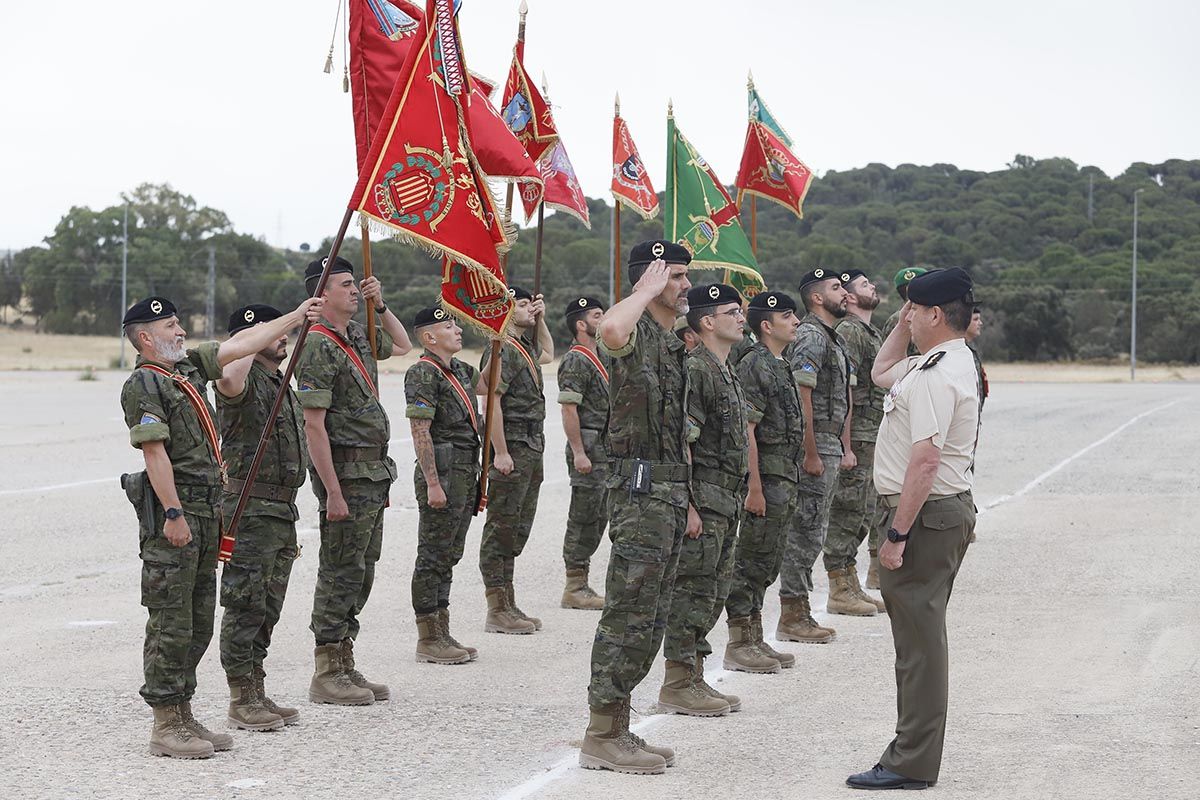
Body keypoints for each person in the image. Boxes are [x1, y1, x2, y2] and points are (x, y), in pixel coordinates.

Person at [119, 294, 322, 758]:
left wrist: (296, 316)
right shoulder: (145, 383)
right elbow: (154, 452)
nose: (181, 331)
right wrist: (173, 513)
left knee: (198, 624)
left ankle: (184, 713)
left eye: (179, 323)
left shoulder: (187, 368)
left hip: (208, 511)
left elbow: (239, 346)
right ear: (146, 337)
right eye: (170, 326)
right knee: (171, 623)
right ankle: (166, 722)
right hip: (178, 515)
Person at [846, 268, 980, 791]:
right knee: (920, 642)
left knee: (919, 648)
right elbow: (881, 371)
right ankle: (912, 754)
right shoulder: (948, 360)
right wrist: (904, 324)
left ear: (936, 314)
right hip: (939, 513)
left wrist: (897, 536)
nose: (907, 317)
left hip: (924, 518)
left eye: (914, 310)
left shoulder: (935, 374)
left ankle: (910, 761)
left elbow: (925, 461)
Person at [579, 240, 697, 775]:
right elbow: (609, 330)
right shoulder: (634, 333)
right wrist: (646, 291)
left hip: (669, 493)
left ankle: (619, 724)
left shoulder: (672, 344)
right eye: (674, 276)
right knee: (628, 613)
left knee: (651, 617)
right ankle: (601, 732)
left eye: (685, 276)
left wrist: (687, 500)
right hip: (639, 494)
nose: (685, 285)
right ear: (647, 280)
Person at [296, 256, 411, 706]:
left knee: (361, 570)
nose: (353, 290)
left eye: (354, 284)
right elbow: (314, 426)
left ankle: (345, 660)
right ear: (321, 294)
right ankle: (326, 670)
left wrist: (380, 305)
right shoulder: (318, 344)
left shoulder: (358, 334)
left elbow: (401, 344)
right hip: (345, 473)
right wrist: (333, 492)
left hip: (372, 473)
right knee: (340, 570)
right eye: (345, 285)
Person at [215, 304, 308, 733]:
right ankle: (241, 698)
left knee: (268, 607)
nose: (282, 336)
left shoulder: (279, 382)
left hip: (281, 509)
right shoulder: (241, 377)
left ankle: (256, 687)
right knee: (245, 604)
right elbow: (229, 375)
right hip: (250, 508)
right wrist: (252, 339)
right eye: (272, 331)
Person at [659, 283, 749, 717]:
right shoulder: (696, 369)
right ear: (708, 321)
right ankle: (677, 682)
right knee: (692, 592)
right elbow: (684, 442)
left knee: (713, 591)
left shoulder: (724, 369)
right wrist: (690, 505)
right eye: (733, 312)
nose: (742, 318)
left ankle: (694, 675)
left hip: (725, 499)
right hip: (705, 500)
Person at [724, 290, 803, 674]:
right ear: (767, 326)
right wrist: (754, 487)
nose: (796, 322)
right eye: (787, 316)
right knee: (751, 560)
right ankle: (739, 642)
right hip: (766, 479)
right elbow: (748, 430)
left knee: (767, 560)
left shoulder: (779, 364)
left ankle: (755, 636)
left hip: (782, 477)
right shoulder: (755, 364)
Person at [405, 306, 487, 664]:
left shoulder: (461, 371)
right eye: (448, 325)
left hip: (465, 471)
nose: (457, 330)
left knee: (450, 553)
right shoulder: (423, 372)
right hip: (443, 473)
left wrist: (499, 338)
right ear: (429, 337)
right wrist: (432, 483)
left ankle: (442, 630)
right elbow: (420, 430)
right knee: (433, 555)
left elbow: (491, 384)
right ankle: (428, 637)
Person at [777, 268, 851, 644]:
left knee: (815, 528)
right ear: (817, 298)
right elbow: (802, 394)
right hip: (816, 442)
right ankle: (792, 614)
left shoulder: (829, 337)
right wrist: (809, 451)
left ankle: (798, 610)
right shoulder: (811, 336)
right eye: (836, 288)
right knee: (805, 529)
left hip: (828, 441)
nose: (845, 293)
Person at [478, 286, 554, 633]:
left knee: (518, 527)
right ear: (506, 312)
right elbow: (491, 401)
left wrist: (542, 320)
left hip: (531, 445)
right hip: (514, 446)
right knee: (502, 528)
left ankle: (508, 601)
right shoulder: (502, 349)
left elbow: (548, 353)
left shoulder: (522, 346)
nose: (529, 309)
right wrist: (501, 451)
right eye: (522, 305)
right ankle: (497, 608)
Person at [823, 270, 888, 615]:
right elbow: (843, 389)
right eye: (864, 285)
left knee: (863, 511)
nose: (872, 287)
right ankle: (839, 589)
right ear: (848, 297)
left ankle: (850, 582)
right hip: (858, 434)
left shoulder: (868, 331)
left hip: (870, 433)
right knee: (848, 511)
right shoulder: (850, 331)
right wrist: (845, 444)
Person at [558, 296, 611, 610]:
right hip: (589, 447)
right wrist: (579, 452)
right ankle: (574, 586)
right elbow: (569, 409)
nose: (603, 319)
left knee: (600, 516)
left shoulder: (602, 355)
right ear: (581, 324)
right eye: (596, 315)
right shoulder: (577, 360)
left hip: (605, 448)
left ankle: (582, 582)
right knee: (584, 516)